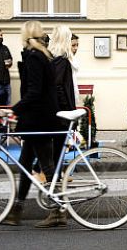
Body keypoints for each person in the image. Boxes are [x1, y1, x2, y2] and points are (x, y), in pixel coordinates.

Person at [3, 21, 63, 228]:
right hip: (37, 118)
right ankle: (16, 210)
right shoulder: (41, 55)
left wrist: (13, 110)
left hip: (39, 119)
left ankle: (58, 211)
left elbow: (34, 92)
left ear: (25, 35)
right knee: (25, 163)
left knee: (46, 164)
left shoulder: (35, 57)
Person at [48, 25, 76, 163]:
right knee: (58, 143)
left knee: (56, 142)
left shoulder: (51, 58)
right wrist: (67, 108)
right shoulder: (61, 60)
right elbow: (59, 86)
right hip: (60, 109)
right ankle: (54, 175)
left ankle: (55, 174)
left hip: (54, 107)